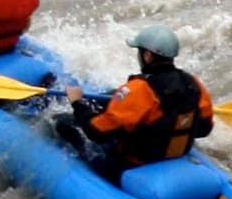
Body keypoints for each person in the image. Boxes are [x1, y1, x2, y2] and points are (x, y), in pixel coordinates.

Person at [60, 24, 214, 174]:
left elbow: (97, 132)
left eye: (139, 52)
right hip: (174, 155)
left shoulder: (139, 89)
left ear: (147, 56)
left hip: (133, 164)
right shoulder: (193, 83)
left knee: (62, 122)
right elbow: (204, 129)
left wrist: (78, 103)